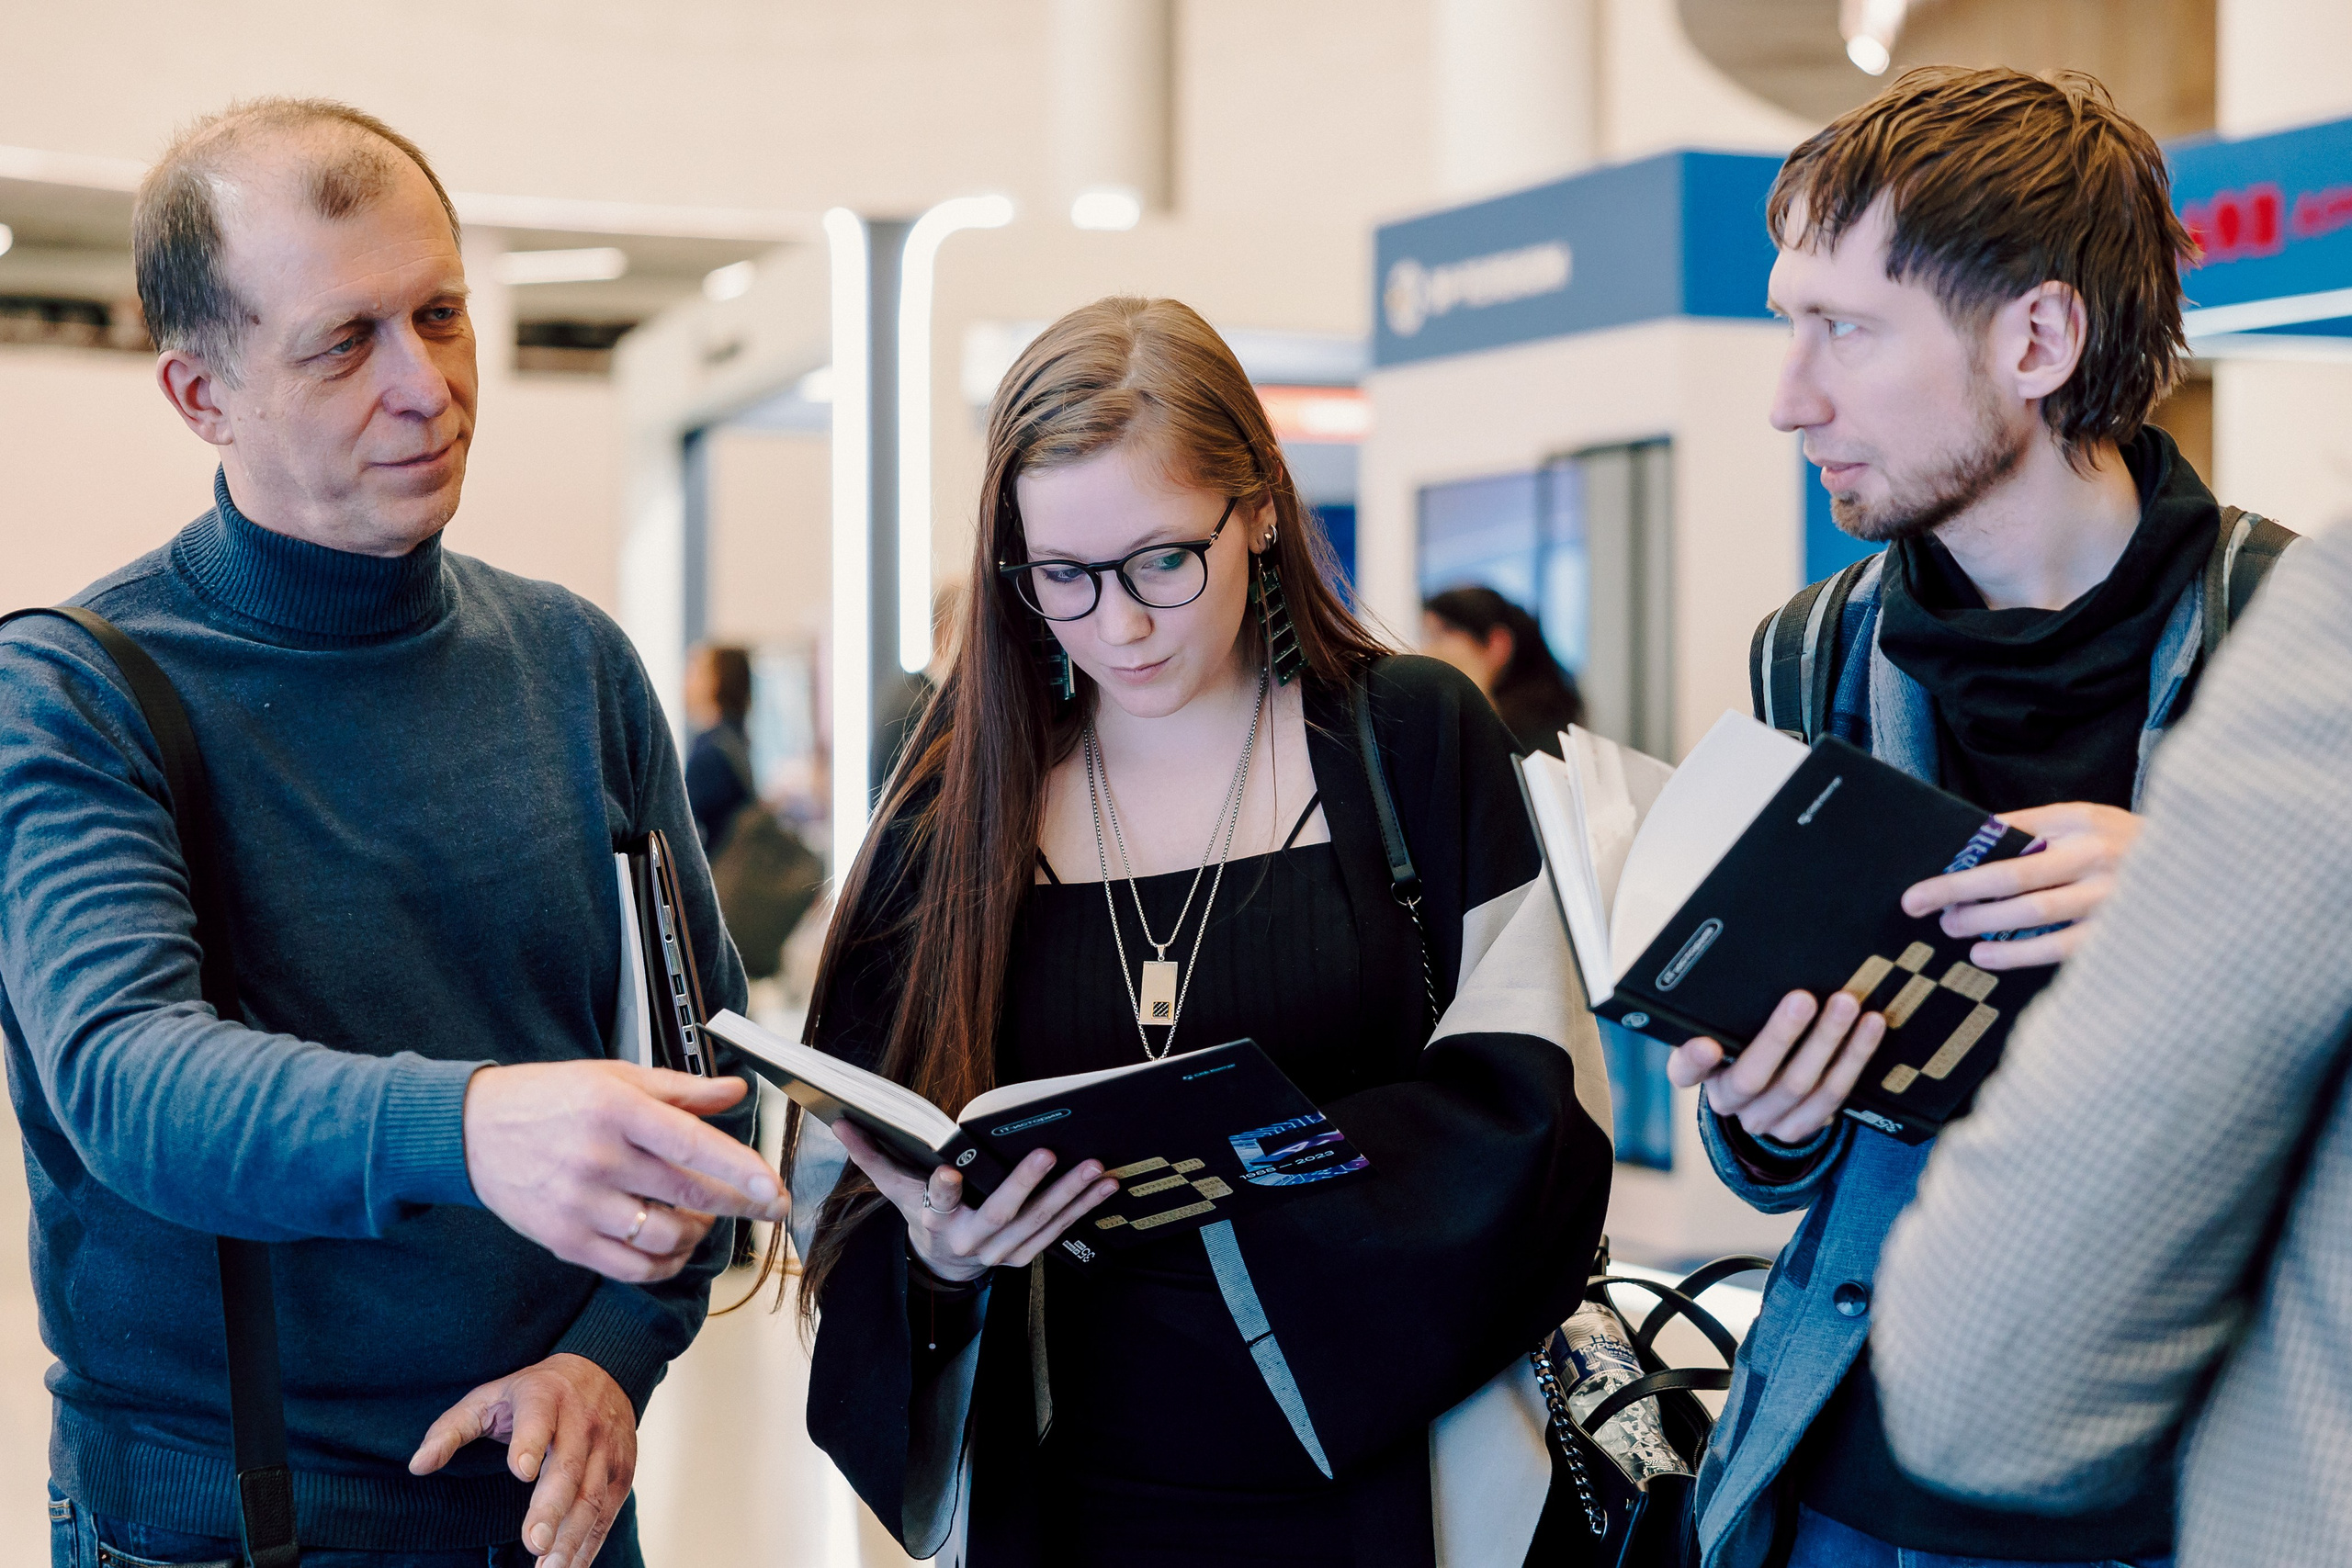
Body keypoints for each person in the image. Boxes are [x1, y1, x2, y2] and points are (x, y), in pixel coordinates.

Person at [0, 99, 787, 1568]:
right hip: (232, 1526)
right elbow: (124, 1076)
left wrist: (615, 1348)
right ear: (201, 394)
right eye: (343, 340)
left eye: (440, 313)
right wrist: (477, 1124)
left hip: (558, 1507)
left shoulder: (574, 664)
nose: (427, 385)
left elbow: (707, 1079)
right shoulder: (72, 688)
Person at [786, 297, 1614, 1566]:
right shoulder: (955, 811)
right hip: (1065, 1492)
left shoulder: (1411, 739)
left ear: (1263, 506)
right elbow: (846, 1173)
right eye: (1061, 576)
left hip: (1389, 1474)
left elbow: (1542, 1100)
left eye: (1165, 560)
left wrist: (1268, 1166)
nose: (1118, 624)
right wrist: (941, 1261)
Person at [1666, 67, 2291, 1568]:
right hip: (1854, 1477)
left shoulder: (2295, 652)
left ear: (2036, 336)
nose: (1787, 396)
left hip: (2190, 1490)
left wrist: (2217, 909)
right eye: (1786, 323)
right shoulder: (1804, 653)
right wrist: (1761, 1109)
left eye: (1849, 330)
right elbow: (1774, 1161)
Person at [1419, 584, 1584, 755]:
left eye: (1440, 635)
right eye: (1427, 636)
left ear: (1496, 644)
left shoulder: (1538, 743)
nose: (1427, 650)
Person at [683, 643, 757, 852]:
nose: (685, 682)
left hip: (722, 874)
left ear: (715, 682)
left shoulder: (711, 751)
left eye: (694, 671)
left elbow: (682, 826)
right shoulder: (735, 737)